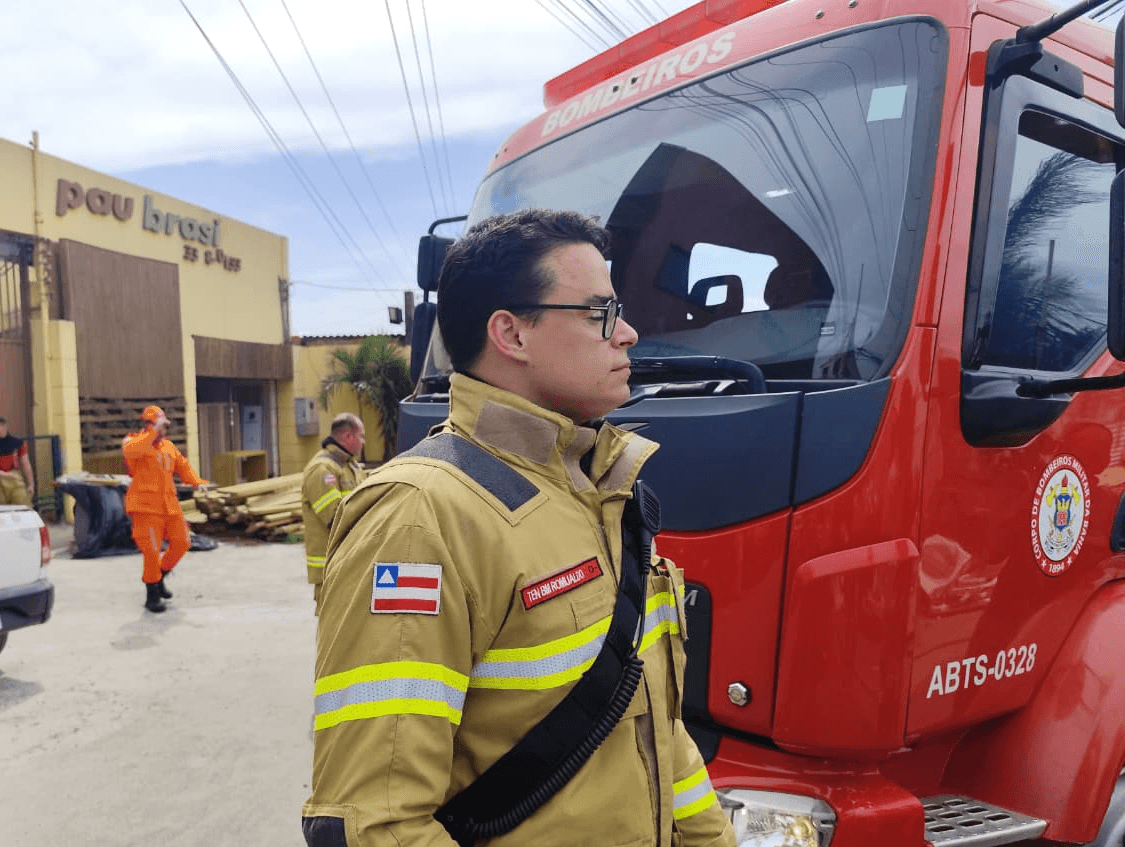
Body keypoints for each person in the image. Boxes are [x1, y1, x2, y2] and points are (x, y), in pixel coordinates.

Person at [302, 209, 735, 847]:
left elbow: (656, 733)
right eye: (601, 314)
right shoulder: (421, 516)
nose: (630, 335)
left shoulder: (599, 490)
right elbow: (375, 825)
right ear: (511, 333)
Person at [122, 405, 209, 613]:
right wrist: (153, 431)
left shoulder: (168, 447)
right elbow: (132, 451)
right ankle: (152, 594)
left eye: (165, 425)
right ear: (149, 424)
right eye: (162, 425)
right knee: (151, 551)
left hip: (169, 506)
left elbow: (183, 466)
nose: (165, 429)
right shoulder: (132, 442)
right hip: (146, 508)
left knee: (182, 542)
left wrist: (197, 482)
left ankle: (160, 576)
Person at [300, 413, 365, 613]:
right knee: (333, 633)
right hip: (331, 569)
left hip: (351, 564)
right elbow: (336, 519)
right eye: (361, 436)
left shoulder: (350, 466)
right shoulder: (322, 470)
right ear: (347, 436)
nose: (363, 442)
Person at [0, 417, 35, 507]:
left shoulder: (18, 443)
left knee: (24, 508)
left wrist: (30, 483)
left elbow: (25, 463)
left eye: (2, 426)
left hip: (14, 479)